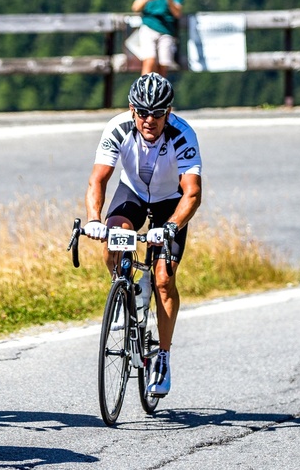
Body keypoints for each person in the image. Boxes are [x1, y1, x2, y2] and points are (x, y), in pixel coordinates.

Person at [83, 73, 202, 396]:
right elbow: (99, 180)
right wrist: (94, 219)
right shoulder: (118, 128)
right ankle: (124, 290)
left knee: (164, 279)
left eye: (158, 113)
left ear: (169, 111)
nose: (150, 120)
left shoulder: (182, 135)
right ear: (132, 109)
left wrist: (172, 227)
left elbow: (191, 193)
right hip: (132, 193)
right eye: (143, 112)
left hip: (170, 203)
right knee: (112, 236)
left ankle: (162, 356)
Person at [131, 0, 184, 77]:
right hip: (149, 27)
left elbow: (177, 13)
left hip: (166, 31)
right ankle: (143, 93)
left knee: (163, 66)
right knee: (149, 61)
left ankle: (159, 94)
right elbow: (135, 7)